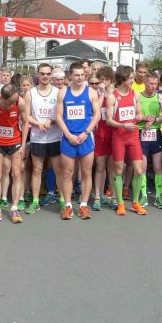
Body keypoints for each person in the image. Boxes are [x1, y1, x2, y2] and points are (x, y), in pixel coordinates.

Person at [55, 62, 100, 219]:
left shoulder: (91, 92)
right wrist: (68, 135)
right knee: (67, 173)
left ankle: (83, 206)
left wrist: (86, 133)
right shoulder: (63, 92)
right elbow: (58, 116)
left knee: (86, 172)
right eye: (77, 75)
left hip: (85, 137)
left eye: (82, 75)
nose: (80, 78)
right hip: (69, 138)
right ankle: (68, 206)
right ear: (70, 76)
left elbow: (97, 115)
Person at [0, 84, 30, 225]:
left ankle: (14, 208)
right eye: (11, 102)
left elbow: (26, 123)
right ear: (2, 98)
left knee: (16, 174)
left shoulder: (20, 102)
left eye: (15, 101)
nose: (13, 104)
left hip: (15, 142)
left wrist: (23, 144)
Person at [106, 65, 146, 216]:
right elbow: (109, 120)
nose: (133, 80)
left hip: (133, 136)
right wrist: (123, 125)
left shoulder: (136, 95)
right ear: (123, 79)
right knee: (118, 170)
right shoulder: (112, 96)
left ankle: (135, 202)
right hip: (119, 137)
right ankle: (120, 203)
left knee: (139, 170)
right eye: (130, 78)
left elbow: (139, 113)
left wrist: (140, 117)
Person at [25, 63, 63, 214]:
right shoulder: (30, 93)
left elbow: (61, 114)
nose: (45, 76)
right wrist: (37, 123)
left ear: (51, 75)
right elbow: (26, 116)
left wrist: (52, 120)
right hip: (38, 138)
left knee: (58, 170)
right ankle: (35, 202)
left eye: (48, 74)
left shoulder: (58, 92)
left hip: (55, 137)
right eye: (42, 73)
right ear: (37, 74)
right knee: (37, 169)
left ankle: (63, 200)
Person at [138, 72, 162, 209]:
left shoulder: (159, 97)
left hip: (156, 134)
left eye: (155, 84)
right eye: (150, 83)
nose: (153, 86)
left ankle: (158, 196)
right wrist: (144, 119)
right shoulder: (138, 97)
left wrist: (155, 119)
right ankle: (143, 195)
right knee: (142, 166)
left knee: (157, 166)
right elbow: (134, 116)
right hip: (141, 133)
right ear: (145, 82)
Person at [90, 67, 114, 211]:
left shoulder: (115, 93)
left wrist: (108, 93)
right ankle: (98, 196)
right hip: (100, 134)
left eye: (106, 80)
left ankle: (112, 196)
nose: (103, 82)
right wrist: (103, 93)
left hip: (114, 134)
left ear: (111, 80)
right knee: (100, 166)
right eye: (101, 80)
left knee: (112, 167)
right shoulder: (96, 94)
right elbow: (96, 110)